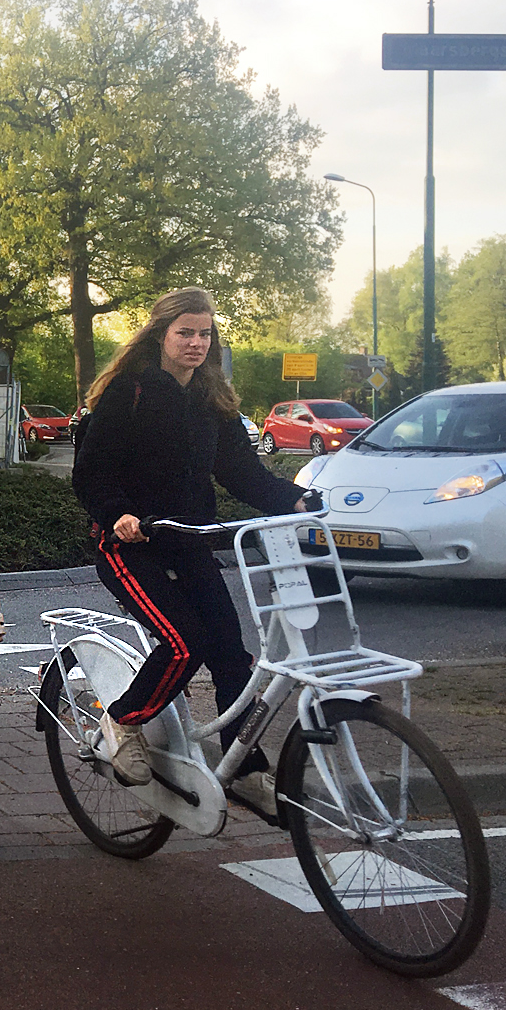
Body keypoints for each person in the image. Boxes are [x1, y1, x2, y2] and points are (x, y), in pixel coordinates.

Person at [72, 286, 313, 814]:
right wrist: (119, 515)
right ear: (161, 334)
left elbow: (241, 473)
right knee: (185, 643)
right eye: (185, 332)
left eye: (205, 333)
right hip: (129, 545)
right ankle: (123, 719)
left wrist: (295, 498)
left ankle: (242, 772)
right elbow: (89, 474)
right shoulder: (129, 392)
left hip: (191, 542)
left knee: (231, 654)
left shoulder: (213, 402)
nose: (196, 343)